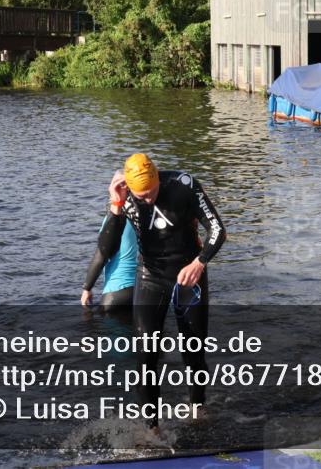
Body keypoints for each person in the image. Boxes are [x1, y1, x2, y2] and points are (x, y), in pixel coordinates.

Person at [104, 153, 226, 433]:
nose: (147, 200)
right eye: (140, 195)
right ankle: (152, 428)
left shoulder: (184, 185)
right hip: (150, 276)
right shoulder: (125, 195)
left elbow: (218, 230)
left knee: (193, 350)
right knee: (146, 354)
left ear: (158, 178)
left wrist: (200, 262)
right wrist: (115, 205)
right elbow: (105, 246)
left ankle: (197, 409)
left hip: (188, 273)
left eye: (151, 193)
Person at [80, 174, 139, 318]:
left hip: (116, 292)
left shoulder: (112, 221)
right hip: (142, 291)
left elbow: (101, 256)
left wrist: (87, 289)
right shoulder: (143, 217)